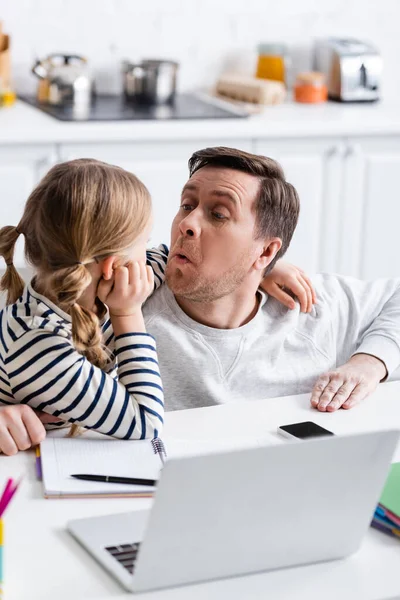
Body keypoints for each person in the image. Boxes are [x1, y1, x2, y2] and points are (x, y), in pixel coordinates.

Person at [5, 146, 399, 451]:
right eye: (187, 205)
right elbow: (139, 420)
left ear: (265, 251)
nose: (185, 225)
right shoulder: (125, 300)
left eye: (218, 214)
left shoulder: (309, 300)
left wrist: (370, 363)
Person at [0, 158, 165, 441]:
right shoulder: (39, 345)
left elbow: (165, 260)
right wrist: (127, 315)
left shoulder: (56, 292)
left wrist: (265, 266)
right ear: (112, 267)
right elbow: (146, 423)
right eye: (145, 242)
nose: (148, 253)